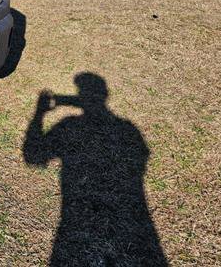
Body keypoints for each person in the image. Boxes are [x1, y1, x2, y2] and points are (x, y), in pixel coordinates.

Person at [23, 72, 167, 266]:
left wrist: (40, 113)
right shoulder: (128, 129)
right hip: (133, 219)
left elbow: (33, 157)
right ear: (105, 94)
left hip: (74, 220)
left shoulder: (69, 125)